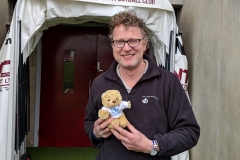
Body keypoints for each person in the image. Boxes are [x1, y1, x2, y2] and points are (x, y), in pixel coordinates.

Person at [84, 11, 200, 160]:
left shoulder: (168, 82)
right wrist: (96, 133)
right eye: (119, 41)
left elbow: (190, 132)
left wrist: (152, 146)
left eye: (133, 41)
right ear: (112, 45)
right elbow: (89, 121)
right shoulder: (100, 83)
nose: (126, 48)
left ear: (145, 44)